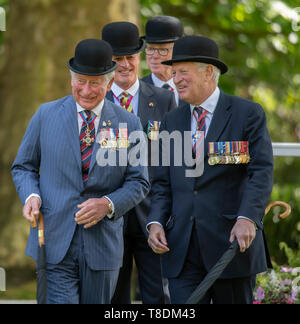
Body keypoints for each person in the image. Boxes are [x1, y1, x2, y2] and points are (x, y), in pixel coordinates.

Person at [11, 39, 150, 304]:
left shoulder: (129, 123)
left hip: (103, 245)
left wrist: (108, 204)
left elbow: (139, 181)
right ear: (71, 79)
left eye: (95, 82)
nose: (86, 90)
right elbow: (23, 166)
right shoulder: (45, 115)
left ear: (109, 84)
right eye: (80, 81)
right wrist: (31, 196)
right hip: (54, 239)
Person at [147, 35, 273, 304]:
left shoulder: (247, 113)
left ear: (208, 73)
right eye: (174, 72)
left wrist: (248, 218)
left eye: (183, 72)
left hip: (232, 245)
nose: (175, 79)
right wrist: (156, 221)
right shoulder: (171, 120)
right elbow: (161, 182)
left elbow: (260, 172)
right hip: (181, 249)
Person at [102, 21, 177, 304]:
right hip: (110, 218)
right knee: (113, 298)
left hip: (153, 217)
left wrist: (168, 213)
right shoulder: (95, 100)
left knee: (158, 296)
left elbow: (173, 160)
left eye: (130, 57)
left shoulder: (163, 100)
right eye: (116, 59)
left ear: (139, 57)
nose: (124, 65)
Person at [141, 16, 183, 106]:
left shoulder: (194, 90)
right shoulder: (135, 91)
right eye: (151, 49)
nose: (155, 56)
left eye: (163, 50)